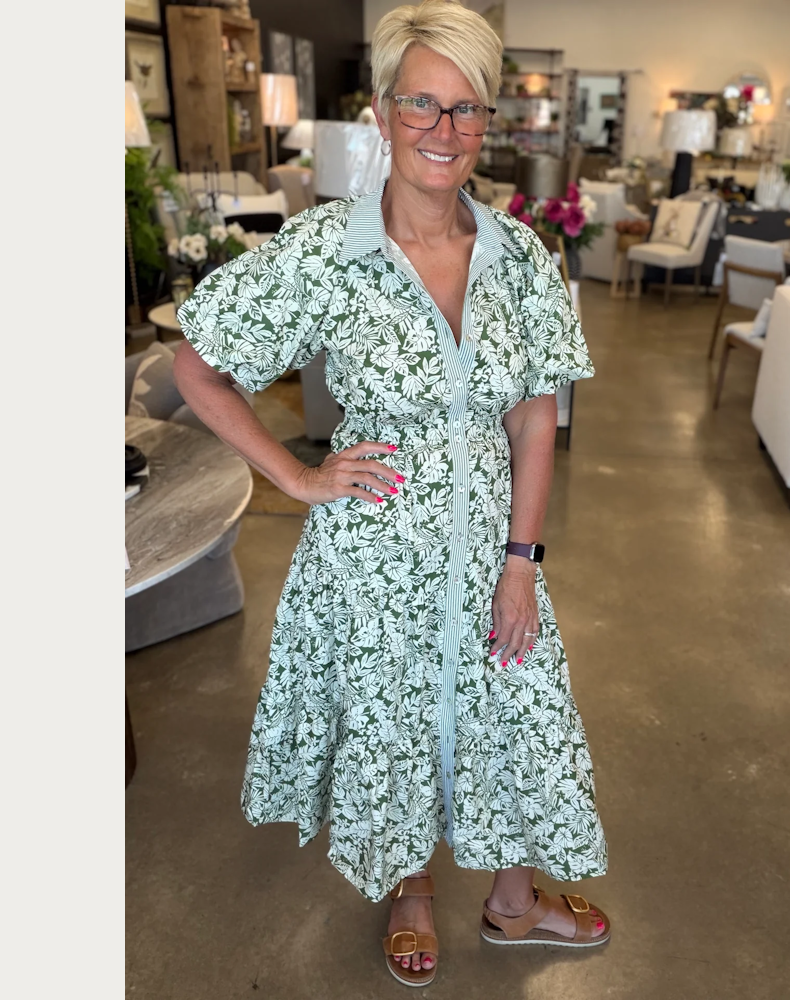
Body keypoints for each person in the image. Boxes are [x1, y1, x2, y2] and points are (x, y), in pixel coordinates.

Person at [173, 0, 609, 987]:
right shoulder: (328, 250)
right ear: (381, 112)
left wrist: (521, 561)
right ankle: (407, 886)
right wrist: (295, 474)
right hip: (375, 556)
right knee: (394, 716)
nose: (443, 132)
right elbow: (200, 366)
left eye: (466, 110)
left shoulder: (518, 258)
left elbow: (537, 414)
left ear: (487, 121)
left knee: (512, 703)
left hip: (494, 548)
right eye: (422, 104)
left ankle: (511, 898)